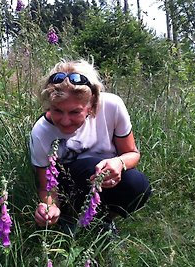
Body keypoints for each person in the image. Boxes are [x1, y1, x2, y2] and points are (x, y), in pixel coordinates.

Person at [30, 59, 152, 232]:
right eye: (57, 110)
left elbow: (132, 153)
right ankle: (70, 216)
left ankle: (106, 219)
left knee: (138, 184)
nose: (65, 121)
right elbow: (46, 186)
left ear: (92, 104)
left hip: (107, 180)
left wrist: (119, 163)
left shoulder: (112, 106)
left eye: (75, 112)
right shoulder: (40, 132)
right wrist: (50, 206)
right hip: (70, 186)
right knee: (89, 165)